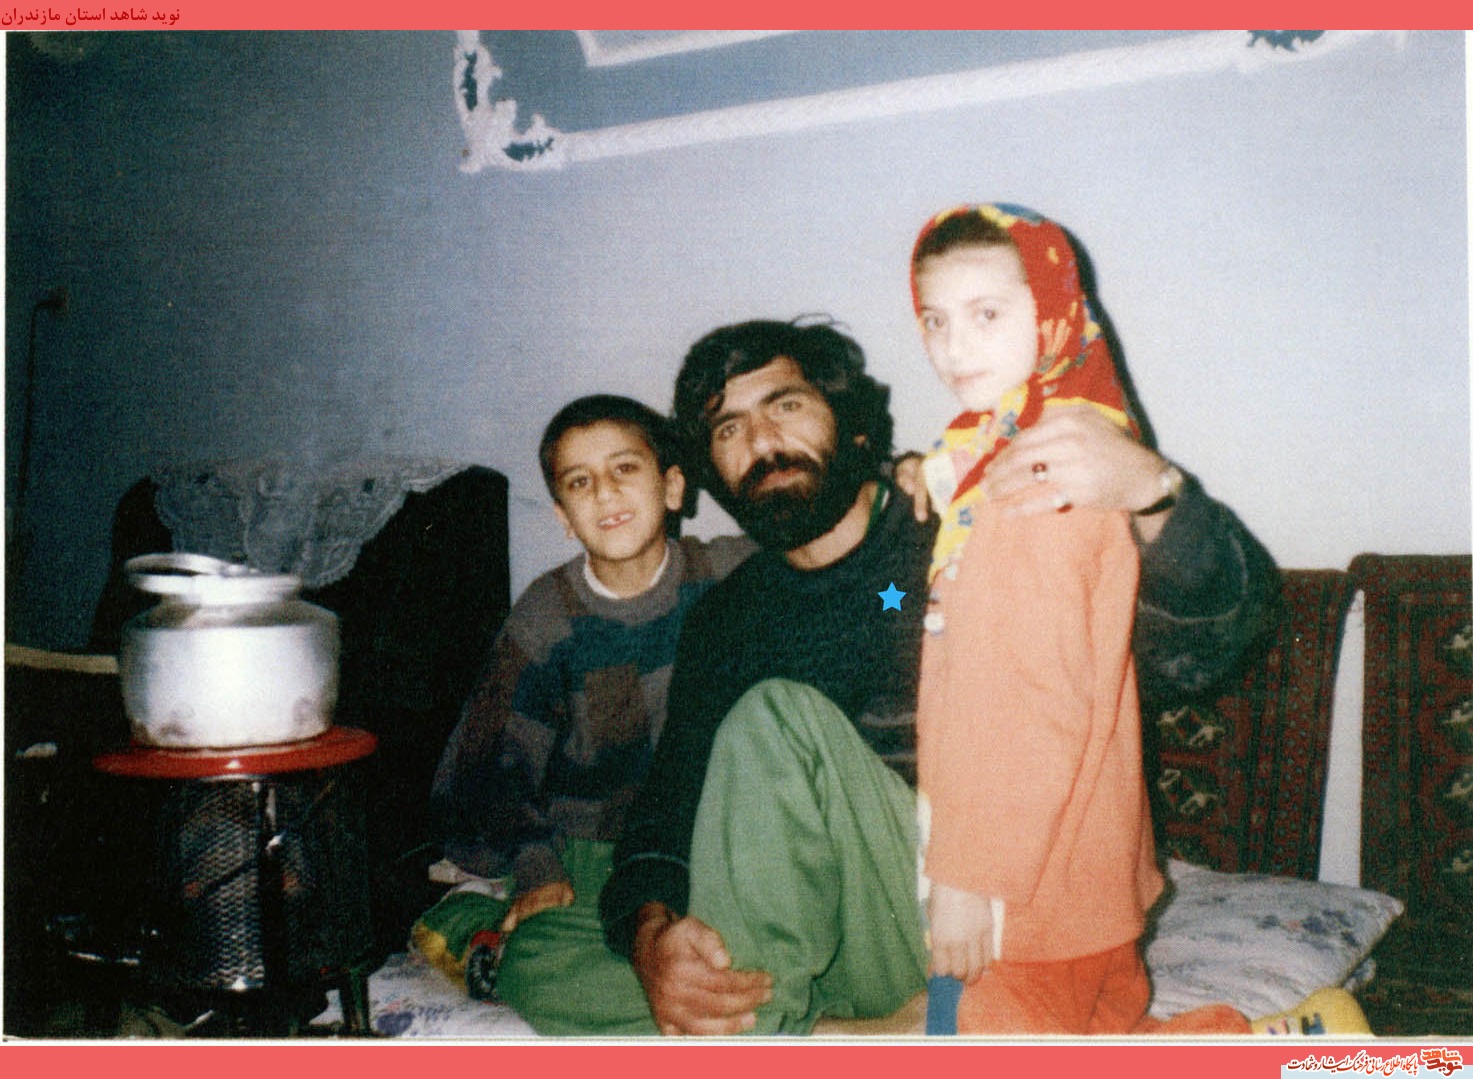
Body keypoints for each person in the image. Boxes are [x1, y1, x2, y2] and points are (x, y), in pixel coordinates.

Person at [597, 316, 1280, 1036]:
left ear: (853, 426)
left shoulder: (966, 532)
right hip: (841, 933)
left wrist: (1152, 491)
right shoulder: (727, 617)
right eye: (728, 429)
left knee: (774, 720)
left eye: (786, 405)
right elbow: (669, 801)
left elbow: (1208, 642)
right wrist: (649, 939)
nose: (762, 442)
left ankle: (787, 1033)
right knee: (545, 954)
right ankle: (859, 1031)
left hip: (975, 916)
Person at [909, 202, 1250, 1035]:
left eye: (986, 314)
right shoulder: (1045, 443)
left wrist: (965, 877)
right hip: (1082, 870)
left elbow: (1030, 695)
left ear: (1052, 312)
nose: (953, 347)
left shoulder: (1034, 479)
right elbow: (949, 612)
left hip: (1024, 883)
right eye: (934, 320)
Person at [416, 394, 754, 1031]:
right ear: (564, 518)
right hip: (591, 855)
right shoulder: (547, 617)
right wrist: (536, 865)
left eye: (624, 468)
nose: (605, 492)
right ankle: (474, 926)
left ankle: (719, 1005)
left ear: (672, 487)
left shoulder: (727, 572)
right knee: (539, 970)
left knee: (746, 947)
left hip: (705, 838)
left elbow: (848, 576)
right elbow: (485, 765)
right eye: (580, 482)